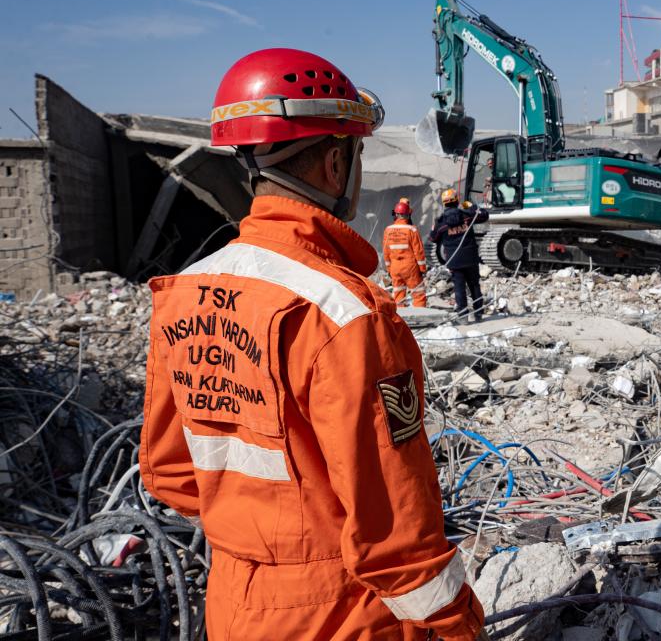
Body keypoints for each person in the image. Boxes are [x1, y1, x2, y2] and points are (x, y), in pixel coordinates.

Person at [140, 48, 486, 641]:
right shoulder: (347, 315)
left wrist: (259, 531)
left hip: (233, 603)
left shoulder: (187, 292)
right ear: (334, 162)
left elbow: (169, 471)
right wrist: (459, 628)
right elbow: (397, 534)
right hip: (339, 614)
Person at [429, 188, 489, 322]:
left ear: (444, 203)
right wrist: (471, 206)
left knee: (459, 288)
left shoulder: (441, 222)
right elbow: (484, 215)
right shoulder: (467, 215)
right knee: (474, 285)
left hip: (454, 260)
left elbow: (433, 238)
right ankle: (478, 314)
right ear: (457, 201)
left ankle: (463, 317)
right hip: (471, 257)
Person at [383, 197, 429, 308]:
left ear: (396, 214)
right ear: (408, 214)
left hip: (395, 267)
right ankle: (420, 315)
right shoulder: (412, 229)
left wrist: (389, 269)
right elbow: (419, 251)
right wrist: (422, 269)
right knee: (418, 294)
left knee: (398, 295)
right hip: (410, 267)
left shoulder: (388, 230)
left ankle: (401, 319)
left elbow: (386, 251)